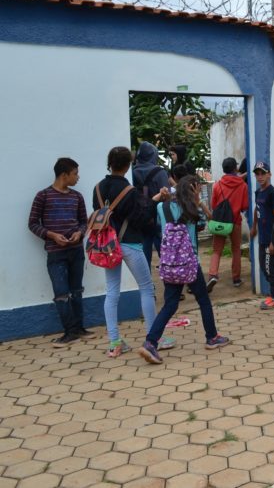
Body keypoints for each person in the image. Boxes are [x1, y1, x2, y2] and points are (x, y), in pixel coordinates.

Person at [92, 147, 175, 357]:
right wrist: (156, 199)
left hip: (107, 246)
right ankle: (153, 338)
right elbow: (142, 214)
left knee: (112, 292)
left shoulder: (98, 189)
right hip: (129, 243)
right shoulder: (129, 190)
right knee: (146, 288)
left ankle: (114, 342)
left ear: (109, 163)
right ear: (128, 165)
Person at [139, 175, 230, 364]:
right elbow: (206, 223)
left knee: (170, 305)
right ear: (194, 190)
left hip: (170, 263)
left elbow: (149, 211)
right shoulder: (193, 209)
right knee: (203, 300)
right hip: (190, 263)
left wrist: (161, 196)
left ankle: (150, 342)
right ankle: (212, 337)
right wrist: (198, 201)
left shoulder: (161, 207)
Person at [28, 157, 94, 347]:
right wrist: (51, 235)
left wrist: (79, 233)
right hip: (55, 253)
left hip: (76, 251)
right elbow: (32, 224)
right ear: (64, 175)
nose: (78, 177)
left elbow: (84, 222)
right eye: (75, 173)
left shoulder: (77, 197)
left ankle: (80, 329)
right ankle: (69, 332)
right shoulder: (43, 196)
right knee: (61, 294)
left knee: (77, 291)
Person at [207, 157, 249, 290]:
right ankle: (236, 279)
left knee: (216, 250)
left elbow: (214, 205)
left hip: (220, 222)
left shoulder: (217, 185)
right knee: (236, 250)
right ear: (235, 168)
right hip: (235, 222)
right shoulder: (243, 185)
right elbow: (245, 206)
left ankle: (213, 275)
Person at [249, 161, 274, 310]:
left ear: (269, 174)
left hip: (271, 238)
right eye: (257, 173)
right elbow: (257, 210)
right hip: (262, 236)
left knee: (271, 268)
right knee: (264, 267)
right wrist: (253, 226)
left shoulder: (273, 193)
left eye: (263, 173)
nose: (260, 176)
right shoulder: (259, 193)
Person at [132, 141, 171, 266]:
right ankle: (170, 280)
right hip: (158, 218)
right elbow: (167, 195)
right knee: (165, 252)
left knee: (143, 253)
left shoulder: (131, 172)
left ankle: (147, 284)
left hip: (139, 218)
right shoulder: (160, 172)